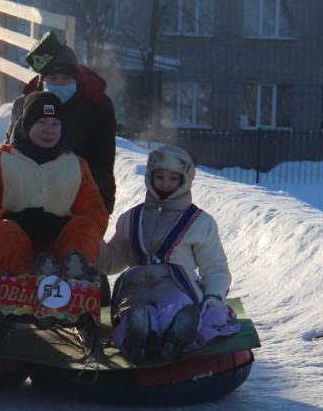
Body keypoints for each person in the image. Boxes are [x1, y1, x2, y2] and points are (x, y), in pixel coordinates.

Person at [98, 146, 239, 363]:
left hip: (176, 285)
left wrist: (214, 297)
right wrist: (90, 241)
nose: (165, 183)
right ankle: (140, 333)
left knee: (178, 306)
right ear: (149, 177)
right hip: (136, 286)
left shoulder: (200, 222)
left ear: (184, 180)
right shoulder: (132, 218)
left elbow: (215, 267)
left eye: (173, 178)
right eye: (160, 177)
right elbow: (112, 261)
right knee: (131, 312)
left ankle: (175, 334)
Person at [0, 91, 108, 287]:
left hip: (60, 249)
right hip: (12, 251)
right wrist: (11, 218)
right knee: (5, 231)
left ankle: (74, 280)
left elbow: (96, 213)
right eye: (41, 122)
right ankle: (24, 285)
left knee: (85, 228)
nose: (48, 130)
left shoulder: (76, 165)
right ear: (27, 124)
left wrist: (63, 223)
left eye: (55, 124)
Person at [9, 32, 118, 213]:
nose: (59, 84)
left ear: (77, 79)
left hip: (87, 195)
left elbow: (103, 165)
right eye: (53, 78)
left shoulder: (98, 105)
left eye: (66, 78)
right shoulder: (25, 104)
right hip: (32, 194)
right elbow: (10, 154)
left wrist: (64, 187)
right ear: (42, 81)